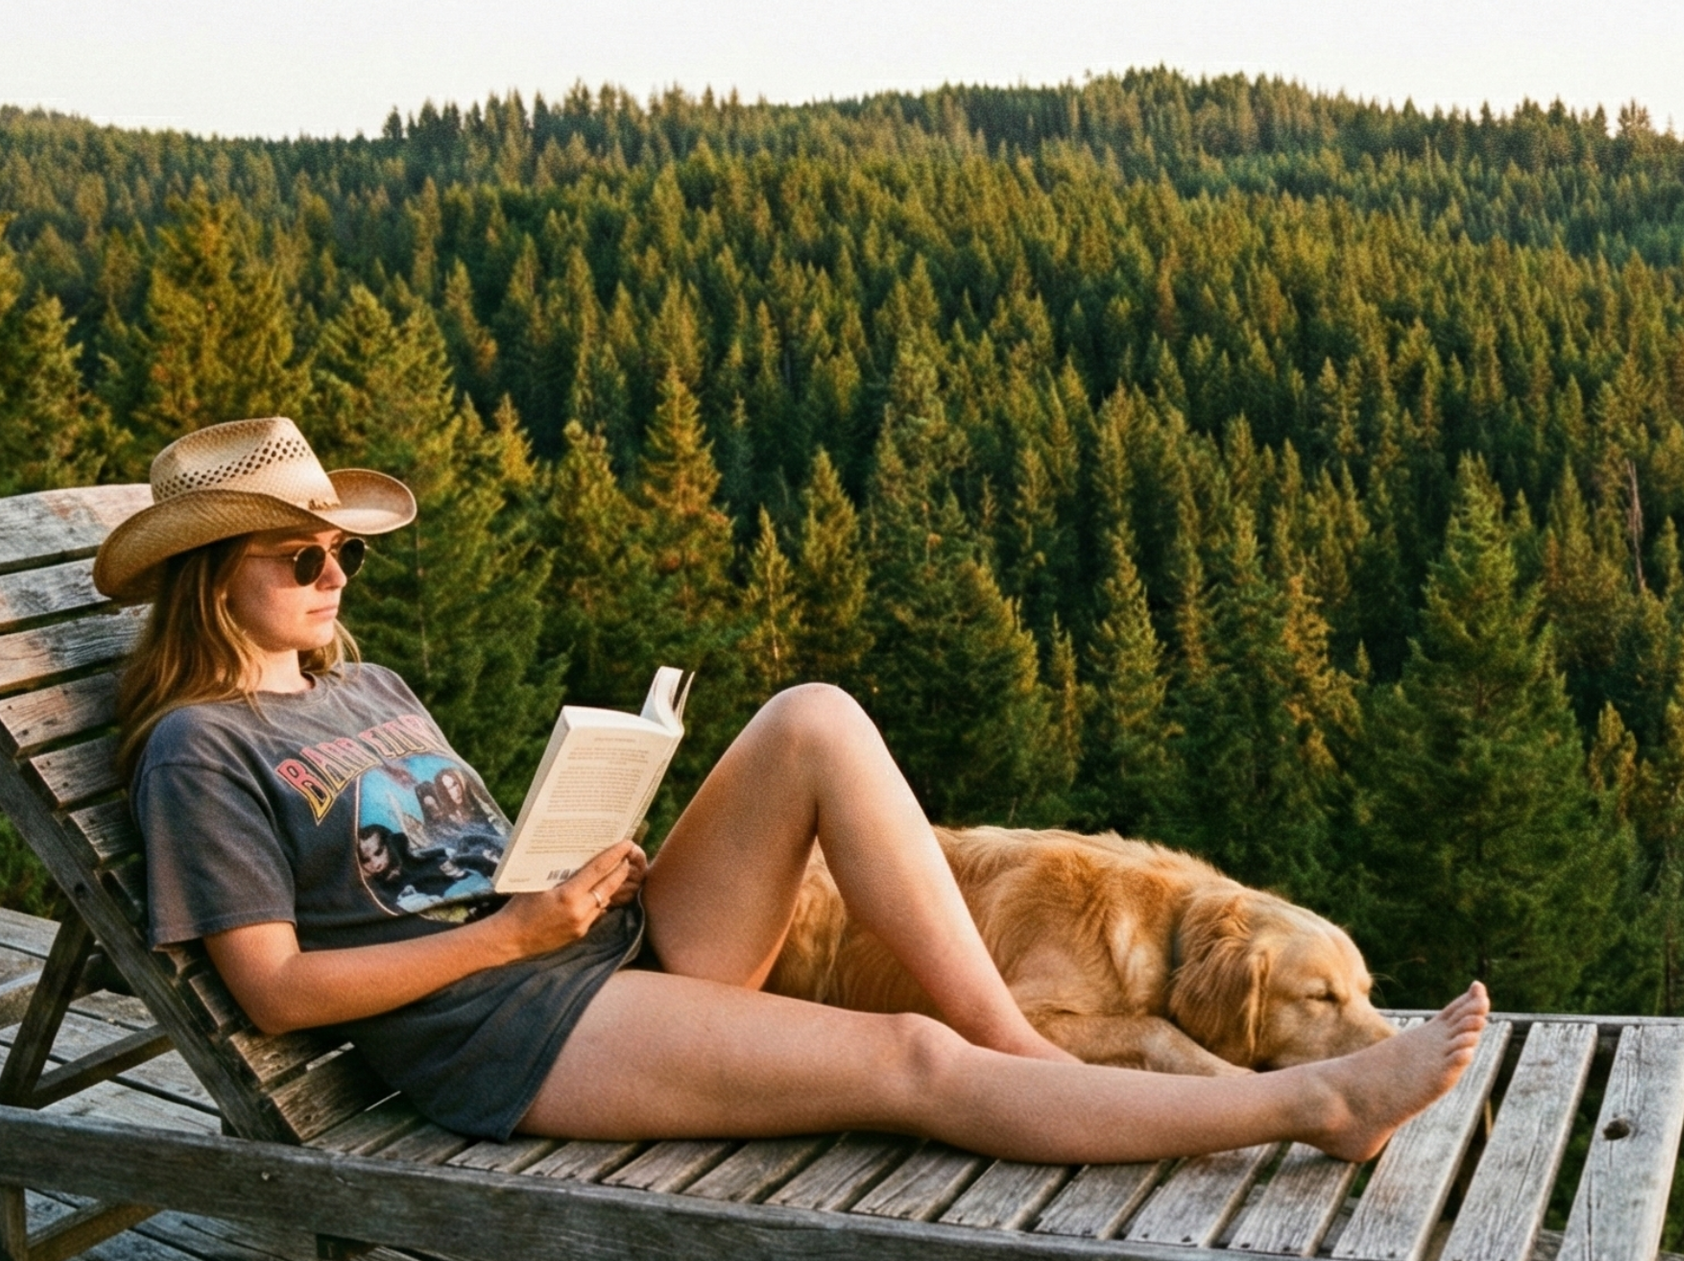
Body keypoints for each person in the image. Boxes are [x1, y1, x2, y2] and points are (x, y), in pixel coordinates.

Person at [103, 416, 1485, 1163]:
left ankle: (1015, 1040)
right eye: (303, 560)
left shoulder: (371, 686)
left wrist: (581, 848)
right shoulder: (200, 750)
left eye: (344, 553)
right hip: (502, 1028)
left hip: (585, 945)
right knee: (910, 1065)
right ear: (209, 573)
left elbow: (447, 848)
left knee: (811, 719)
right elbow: (276, 989)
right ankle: (1310, 1107)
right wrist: (518, 936)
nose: (336, 576)